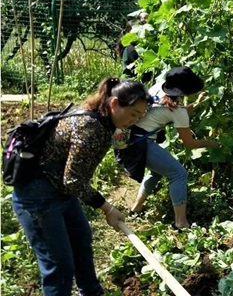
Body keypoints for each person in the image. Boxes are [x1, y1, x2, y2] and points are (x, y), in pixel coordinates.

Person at [11, 78, 152, 296]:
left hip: (60, 191)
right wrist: (108, 208)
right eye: (133, 113)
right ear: (114, 104)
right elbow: (73, 180)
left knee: (82, 242)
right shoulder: (91, 127)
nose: (135, 120)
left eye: (140, 116)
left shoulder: (102, 120)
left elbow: (70, 181)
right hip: (38, 196)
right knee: (59, 266)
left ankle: (92, 292)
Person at [121, 66, 219, 230]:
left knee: (157, 171)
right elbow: (190, 143)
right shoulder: (177, 110)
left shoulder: (158, 87)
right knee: (178, 174)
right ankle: (181, 223)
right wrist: (212, 143)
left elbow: (174, 112)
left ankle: (136, 209)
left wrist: (198, 103)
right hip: (141, 144)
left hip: (130, 137)